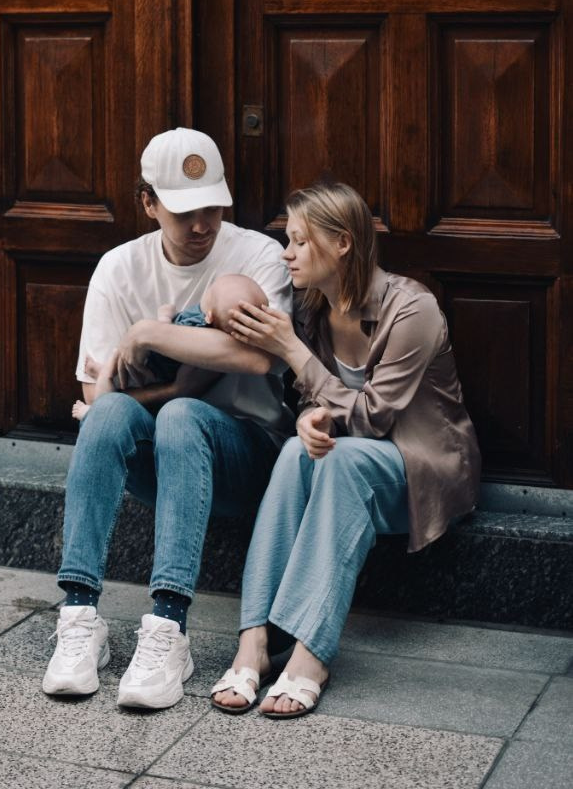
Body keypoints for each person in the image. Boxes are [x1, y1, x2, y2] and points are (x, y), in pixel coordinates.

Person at [42, 127, 293, 709]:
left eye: (211, 206)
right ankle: (79, 617)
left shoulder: (256, 254)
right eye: (184, 211)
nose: (202, 224)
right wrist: (180, 369)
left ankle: (167, 627)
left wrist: (150, 335)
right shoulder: (118, 268)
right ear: (148, 203)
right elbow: (95, 393)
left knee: (183, 412)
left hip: (249, 458)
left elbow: (260, 354)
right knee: (112, 414)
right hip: (161, 460)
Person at [211, 181, 481, 719]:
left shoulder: (412, 310)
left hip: (421, 464)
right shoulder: (313, 312)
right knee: (294, 453)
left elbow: (375, 417)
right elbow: (319, 404)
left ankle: (312, 652)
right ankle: (255, 642)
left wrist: (290, 350)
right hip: (350, 461)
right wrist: (311, 418)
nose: (285, 253)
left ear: (342, 244)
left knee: (342, 459)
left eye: (298, 241)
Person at [71, 273, 270, 419]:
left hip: (150, 367)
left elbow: (166, 334)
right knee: (115, 375)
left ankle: (95, 411)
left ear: (209, 315)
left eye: (212, 292)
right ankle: (102, 379)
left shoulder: (198, 325)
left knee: (111, 371)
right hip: (155, 372)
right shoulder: (204, 323)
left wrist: (157, 323)